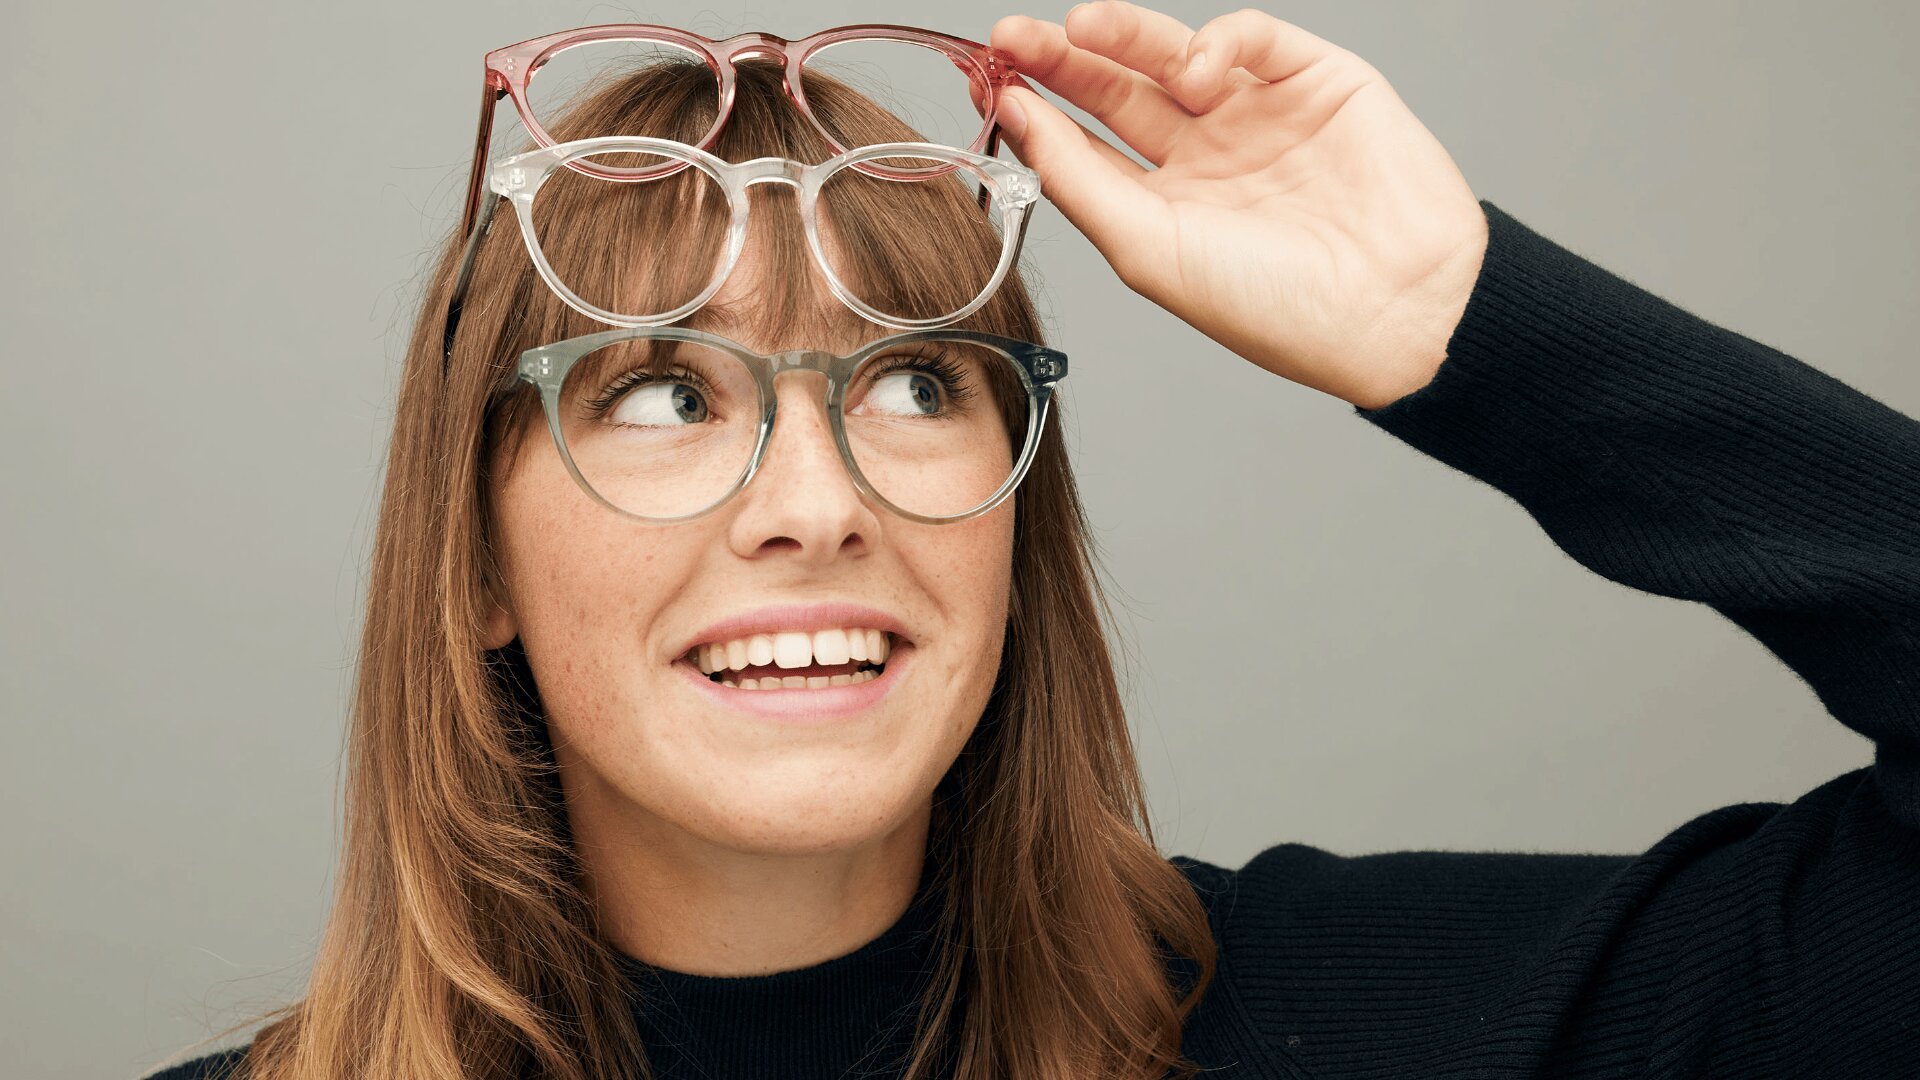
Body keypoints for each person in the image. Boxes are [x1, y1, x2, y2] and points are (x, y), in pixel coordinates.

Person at [147, 4, 1920, 1078]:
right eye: (666, 399)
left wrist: (1466, 319)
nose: (817, 499)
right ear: (471, 567)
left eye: (916, 383)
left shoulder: (1398, 1034)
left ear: (1017, 507)